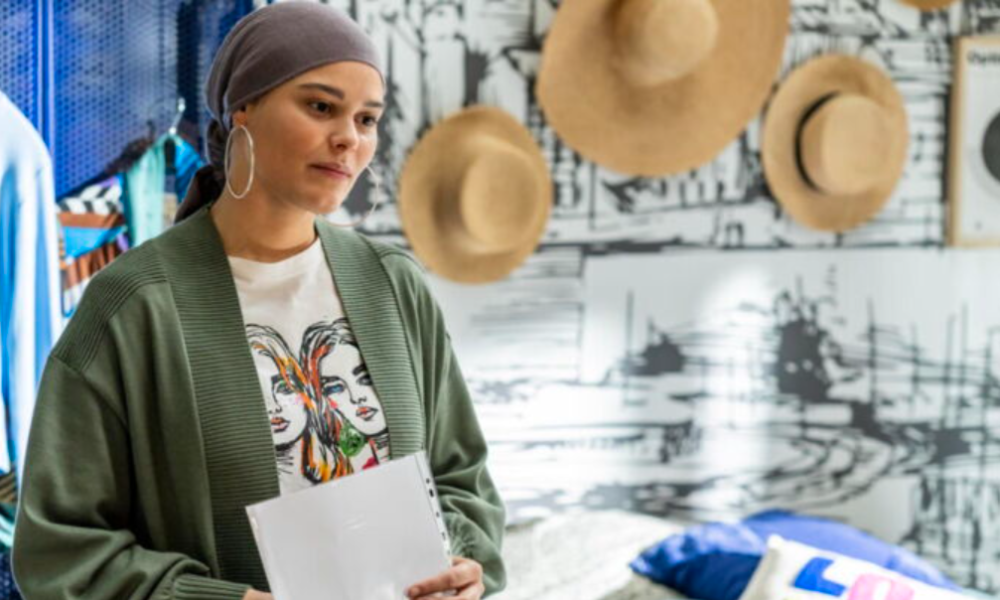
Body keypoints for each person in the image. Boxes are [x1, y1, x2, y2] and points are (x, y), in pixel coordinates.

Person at [11, 4, 505, 600]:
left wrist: (464, 568)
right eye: (320, 107)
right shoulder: (134, 305)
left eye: (367, 118)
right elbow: (60, 552)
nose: (349, 138)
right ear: (242, 108)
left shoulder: (393, 285)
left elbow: (462, 483)